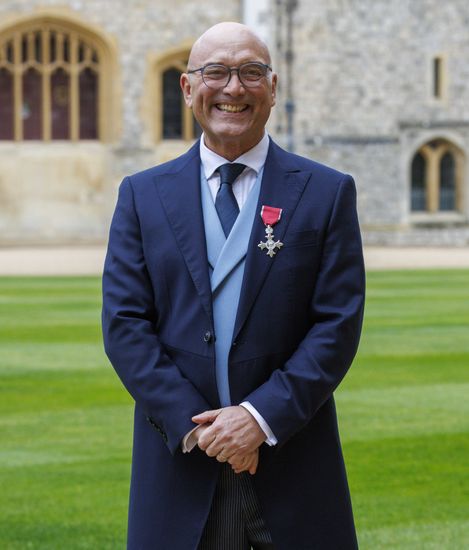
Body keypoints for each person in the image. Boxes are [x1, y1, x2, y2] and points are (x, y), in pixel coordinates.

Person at [102, 21, 365, 550]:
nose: (233, 88)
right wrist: (200, 429)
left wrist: (257, 418)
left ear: (272, 87)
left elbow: (336, 325)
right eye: (216, 72)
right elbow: (125, 326)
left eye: (250, 72)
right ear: (187, 87)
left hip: (292, 463)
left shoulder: (326, 192)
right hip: (181, 462)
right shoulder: (141, 195)